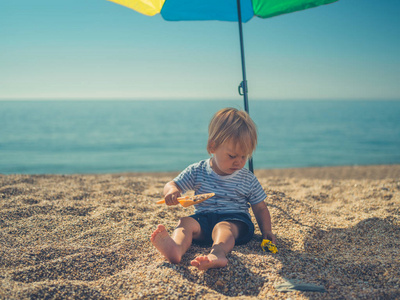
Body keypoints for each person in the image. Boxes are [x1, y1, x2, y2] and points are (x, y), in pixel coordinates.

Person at [150, 108, 276, 271]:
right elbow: (172, 184)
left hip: (236, 222)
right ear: (212, 147)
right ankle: (176, 248)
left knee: (223, 227)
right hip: (204, 218)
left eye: (244, 156)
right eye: (232, 156)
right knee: (185, 222)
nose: (238, 162)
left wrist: (267, 230)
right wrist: (171, 191)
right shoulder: (197, 170)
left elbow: (260, 207)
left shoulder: (247, 178)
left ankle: (218, 254)